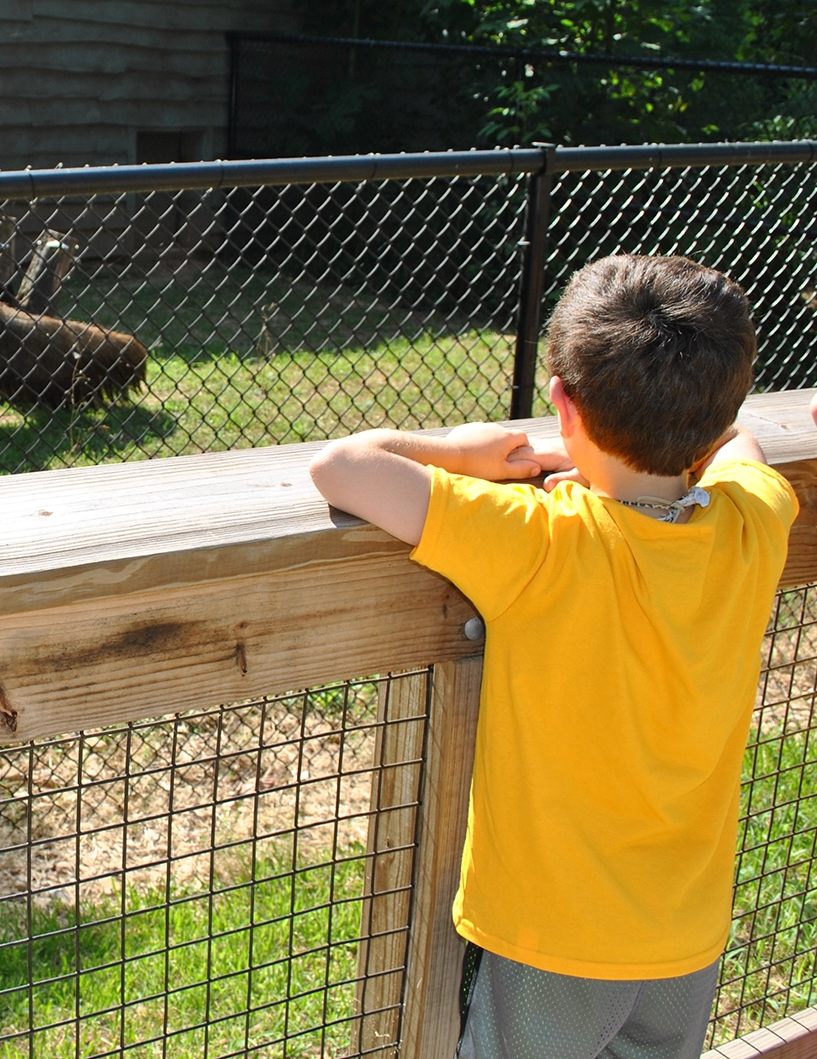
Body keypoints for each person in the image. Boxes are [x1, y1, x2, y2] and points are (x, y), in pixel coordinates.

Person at [310, 254, 796, 1058]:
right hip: (685, 929)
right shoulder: (750, 526)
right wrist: (663, 443)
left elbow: (341, 466)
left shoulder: (542, 541)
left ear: (562, 402)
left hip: (554, 939)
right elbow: (740, 440)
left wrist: (461, 453)